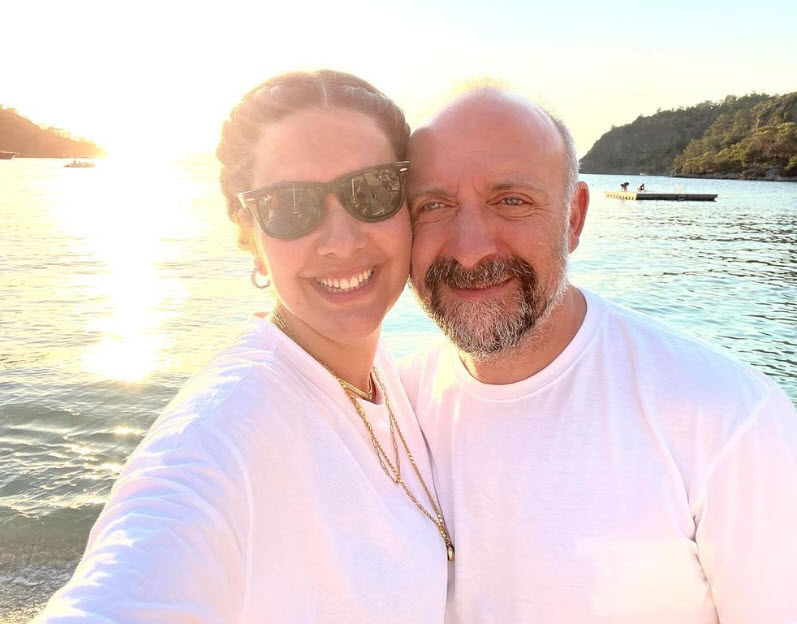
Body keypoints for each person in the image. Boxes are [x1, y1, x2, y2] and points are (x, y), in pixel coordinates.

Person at [35, 71, 449, 623]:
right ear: (251, 237)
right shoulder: (218, 435)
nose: (341, 240)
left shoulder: (380, 378)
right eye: (289, 206)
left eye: (372, 191)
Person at [401, 88, 797, 623]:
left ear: (574, 218)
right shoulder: (391, 414)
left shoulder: (730, 421)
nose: (470, 249)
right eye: (433, 206)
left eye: (511, 200)